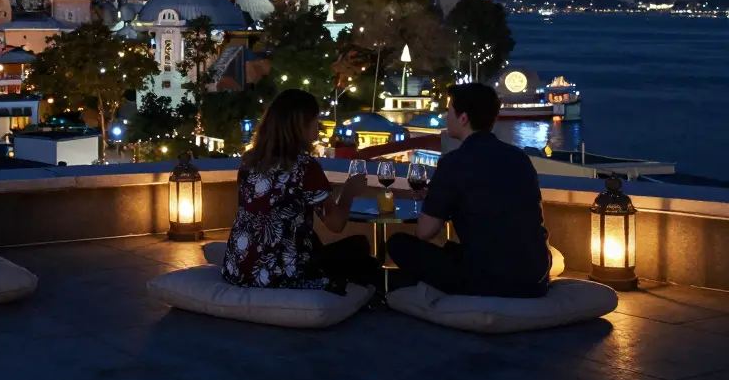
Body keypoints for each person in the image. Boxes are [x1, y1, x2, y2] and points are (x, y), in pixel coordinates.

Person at [387, 83, 551, 297]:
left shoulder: (454, 163)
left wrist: (440, 202)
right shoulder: (520, 158)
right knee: (453, 251)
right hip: (535, 276)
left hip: (491, 280)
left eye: (449, 111)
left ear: (463, 118)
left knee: (399, 244)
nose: (446, 117)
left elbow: (424, 232)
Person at [223, 89, 379, 294]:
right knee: (359, 248)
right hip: (283, 272)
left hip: (238, 268)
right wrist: (349, 190)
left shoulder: (249, 162)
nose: (319, 127)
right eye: (316, 121)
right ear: (301, 126)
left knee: (314, 240)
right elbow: (336, 224)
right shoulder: (304, 167)